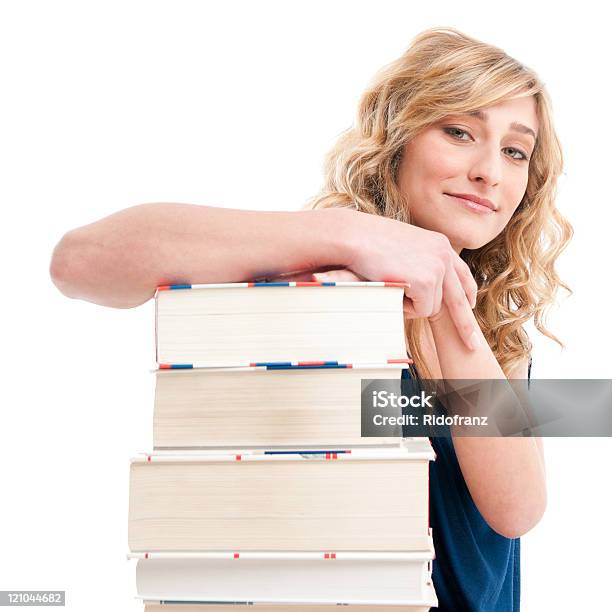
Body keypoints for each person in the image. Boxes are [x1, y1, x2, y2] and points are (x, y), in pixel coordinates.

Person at [50, 27, 572, 611]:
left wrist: (451, 304)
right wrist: (349, 234)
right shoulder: (314, 282)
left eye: (515, 151)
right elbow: (78, 262)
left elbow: (516, 510)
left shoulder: (499, 323)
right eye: (458, 131)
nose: (489, 172)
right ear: (396, 143)